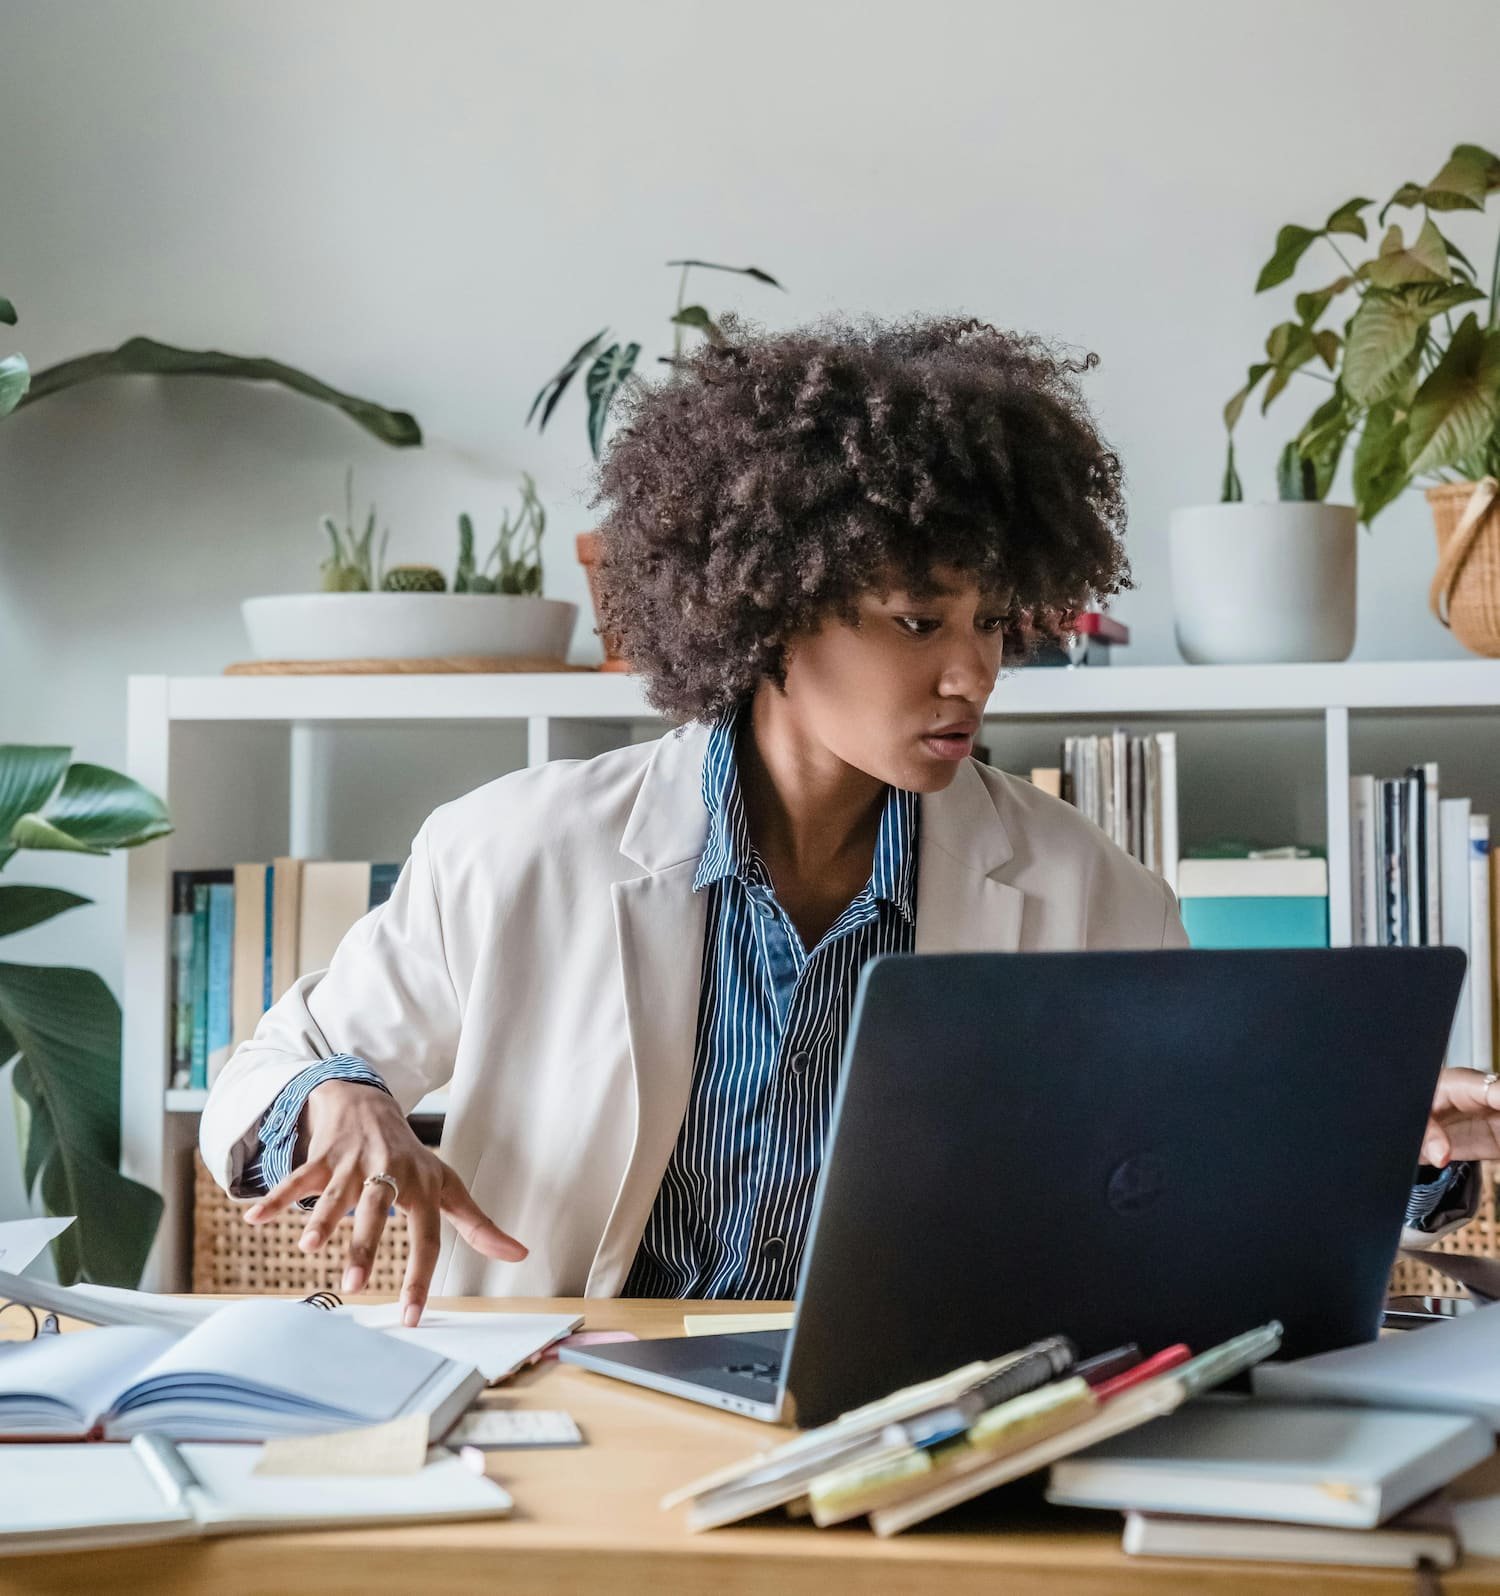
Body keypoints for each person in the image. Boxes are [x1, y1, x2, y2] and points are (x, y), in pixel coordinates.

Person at [199, 314, 1496, 1327]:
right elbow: (256, 1085)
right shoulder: (515, 848)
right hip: (579, 1404)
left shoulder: (1088, 891)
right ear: (771, 604)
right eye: (919, 621)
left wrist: (1379, 1138)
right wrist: (339, 1103)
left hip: (910, 1414)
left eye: (993, 622)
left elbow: (1187, 1182)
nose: (971, 673)